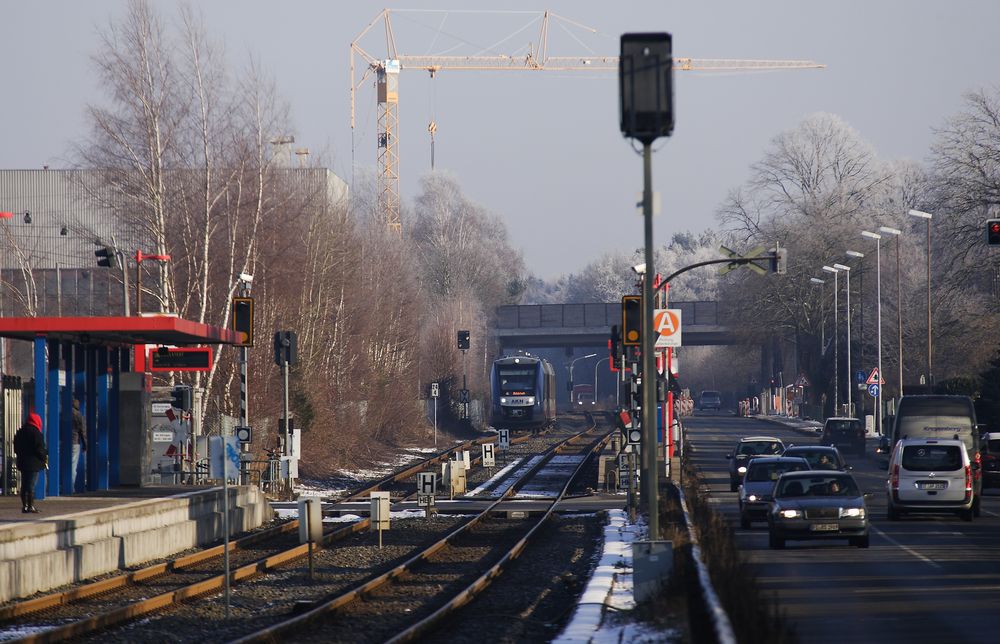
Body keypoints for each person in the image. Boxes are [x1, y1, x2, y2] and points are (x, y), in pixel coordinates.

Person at [14, 412, 47, 513]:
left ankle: (24, 506)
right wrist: (44, 457)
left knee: (24, 485)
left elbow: (16, 448)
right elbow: (40, 449)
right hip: (33, 463)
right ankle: (31, 506)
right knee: (31, 485)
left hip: (23, 462)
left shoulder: (20, 432)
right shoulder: (36, 433)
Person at [71, 399, 87, 493]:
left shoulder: (62, 414)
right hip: (75, 442)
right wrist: (85, 445)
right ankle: (71, 487)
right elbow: (83, 432)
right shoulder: (79, 415)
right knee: (73, 465)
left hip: (63, 442)